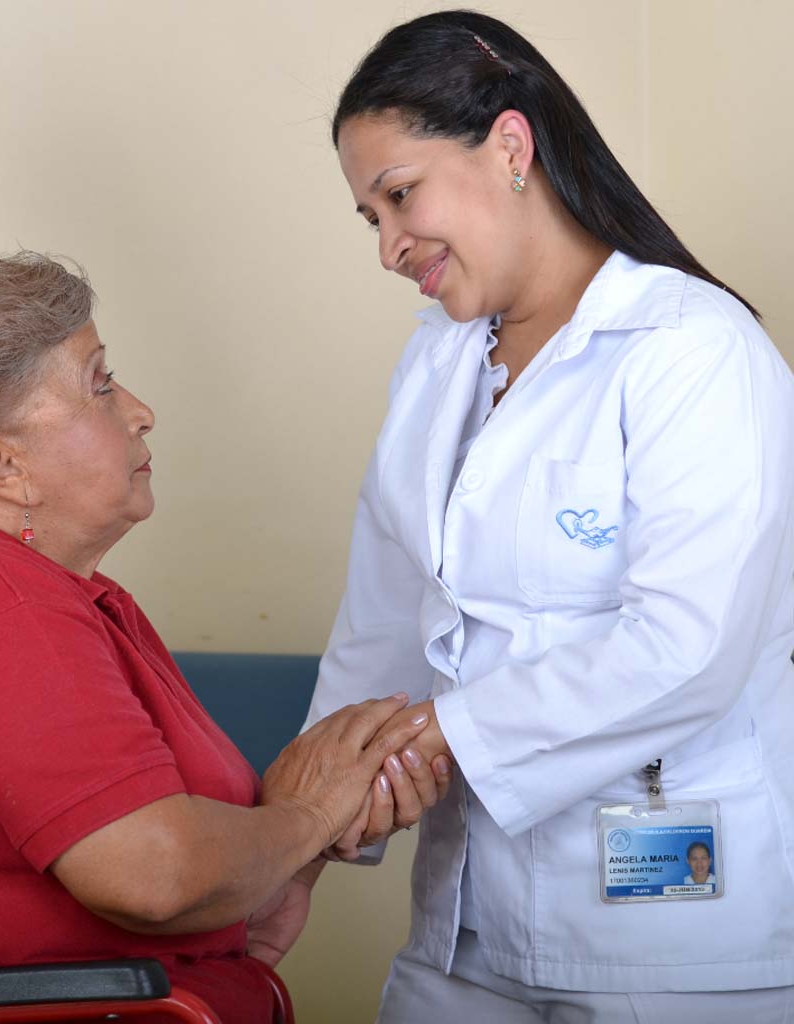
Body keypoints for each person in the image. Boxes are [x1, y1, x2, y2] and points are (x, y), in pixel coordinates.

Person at [0, 250, 448, 1024]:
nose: (139, 410)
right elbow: (154, 877)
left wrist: (304, 845)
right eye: (100, 385)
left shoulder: (50, 598)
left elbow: (167, 879)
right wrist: (306, 816)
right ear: (2, 464)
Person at [301, 10, 794, 1022]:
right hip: (463, 931)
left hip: (673, 943)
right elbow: (384, 624)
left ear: (510, 146)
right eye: (370, 219)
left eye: (399, 196)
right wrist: (310, 831)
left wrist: (445, 735)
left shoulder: (691, 348)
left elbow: (688, 646)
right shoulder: (435, 366)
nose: (389, 245)